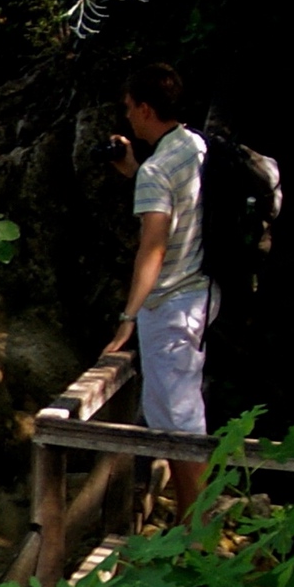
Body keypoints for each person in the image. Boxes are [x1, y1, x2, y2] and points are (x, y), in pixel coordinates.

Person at [103, 62, 211, 518]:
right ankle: (193, 522)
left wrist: (128, 317)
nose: (127, 117)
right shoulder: (193, 146)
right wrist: (134, 170)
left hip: (169, 304)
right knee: (173, 418)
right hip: (201, 292)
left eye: (129, 108)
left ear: (145, 108)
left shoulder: (157, 172)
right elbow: (183, 203)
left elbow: (152, 247)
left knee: (180, 425)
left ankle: (199, 529)